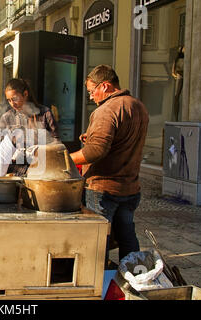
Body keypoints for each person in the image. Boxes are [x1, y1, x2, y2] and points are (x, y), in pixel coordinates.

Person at [70, 65, 149, 264]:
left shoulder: (106, 110)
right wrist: (94, 137)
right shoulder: (138, 106)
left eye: (91, 91)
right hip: (130, 187)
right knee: (128, 237)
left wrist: (64, 159)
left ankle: (99, 284)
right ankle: (133, 276)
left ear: (104, 86)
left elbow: (95, 151)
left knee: (98, 241)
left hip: (104, 189)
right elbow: (123, 140)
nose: (90, 97)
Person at [0, 78, 60, 177]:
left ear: (25, 94)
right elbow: (0, 148)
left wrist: (39, 149)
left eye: (15, 99)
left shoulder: (45, 114)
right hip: (15, 172)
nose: (12, 103)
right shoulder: (7, 118)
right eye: (9, 100)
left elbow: (57, 144)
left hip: (42, 172)